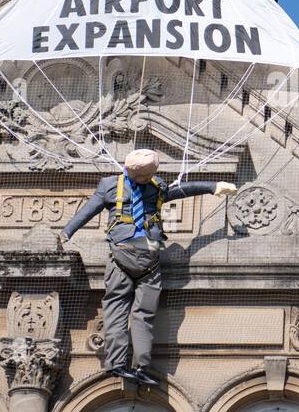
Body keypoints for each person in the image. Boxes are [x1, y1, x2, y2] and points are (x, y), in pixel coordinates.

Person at [60, 149, 236, 385]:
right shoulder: (157, 186)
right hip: (149, 258)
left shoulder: (110, 186)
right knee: (143, 314)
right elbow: (183, 190)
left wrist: (66, 232)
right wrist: (213, 186)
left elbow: (88, 210)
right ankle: (142, 366)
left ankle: (117, 363)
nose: (146, 179)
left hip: (122, 255)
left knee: (116, 307)